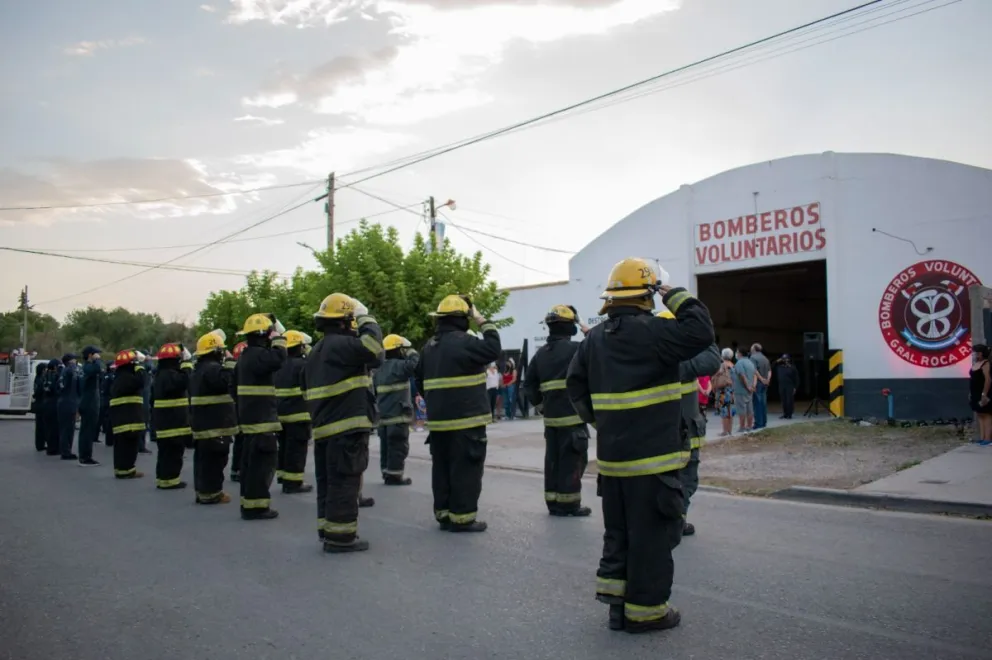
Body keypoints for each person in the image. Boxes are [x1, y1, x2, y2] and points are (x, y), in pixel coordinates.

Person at [566, 257, 714, 634]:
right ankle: (646, 613)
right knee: (651, 538)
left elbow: (575, 388)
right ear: (647, 296)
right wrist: (675, 294)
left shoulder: (594, 340)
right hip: (654, 463)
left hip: (613, 463)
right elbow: (701, 333)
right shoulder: (657, 334)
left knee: (619, 534)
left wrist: (604, 422)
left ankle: (617, 608)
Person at [303, 293, 383, 552]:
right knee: (345, 481)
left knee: (328, 483)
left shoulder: (316, 351)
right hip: (346, 427)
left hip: (325, 429)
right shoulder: (341, 345)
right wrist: (365, 316)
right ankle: (341, 538)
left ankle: (328, 530)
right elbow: (374, 349)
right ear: (345, 322)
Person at [415, 295, 501, 532]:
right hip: (467, 422)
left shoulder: (429, 348)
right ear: (465, 318)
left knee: (441, 468)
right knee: (466, 469)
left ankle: (443, 514)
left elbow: (419, 380)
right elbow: (494, 347)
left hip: (439, 422)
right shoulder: (467, 343)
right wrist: (481, 318)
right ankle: (462, 518)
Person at [658, 310, 721, 537]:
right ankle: (676, 522)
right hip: (684, 433)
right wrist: (703, 327)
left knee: (663, 481)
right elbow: (712, 359)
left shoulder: (651, 357)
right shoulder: (684, 360)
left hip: (659, 433)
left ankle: (665, 521)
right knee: (685, 480)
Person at [524, 304, 591, 517]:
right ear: (569, 327)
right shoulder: (578, 349)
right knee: (572, 462)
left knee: (553, 462)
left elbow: (528, 386)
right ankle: (569, 505)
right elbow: (599, 343)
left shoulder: (541, 354)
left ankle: (553, 502)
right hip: (573, 420)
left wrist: (543, 408)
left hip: (551, 422)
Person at [235, 313, 288, 521]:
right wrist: (279, 337)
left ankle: (248, 503)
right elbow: (279, 357)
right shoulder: (259, 356)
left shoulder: (246, 357)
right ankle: (257, 507)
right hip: (261, 423)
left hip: (251, 421)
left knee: (250, 464)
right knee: (261, 466)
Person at [190, 331, 237, 505]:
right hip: (215, 424)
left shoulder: (200, 369)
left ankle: (203, 492)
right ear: (216, 351)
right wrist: (231, 362)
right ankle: (211, 493)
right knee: (215, 460)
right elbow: (228, 381)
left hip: (204, 423)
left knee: (203, 459)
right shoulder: (213, 369)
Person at [374, 334, 420, 486]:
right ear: (399, 350)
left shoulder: (379, 369)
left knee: (386, 446)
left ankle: (386, 472)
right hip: (398, 415)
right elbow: (416, 364)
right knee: (398, 446)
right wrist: (411, 351)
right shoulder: (399, 366)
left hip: (383, 417)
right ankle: (395, 476)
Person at [274, 330, 314, 494]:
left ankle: (283, 476)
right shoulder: (302, 365)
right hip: (299, 415)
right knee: (296, 449)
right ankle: (293, 483)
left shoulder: (278, 365)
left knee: (283, 447)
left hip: (279, 414)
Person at [151, 343, 194, 490]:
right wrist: (187, 364)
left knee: (165, 452)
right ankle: (170, 481)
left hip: (166, 421)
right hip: (173, 422)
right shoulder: (170, 374)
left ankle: (164, 479)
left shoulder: (161, 374)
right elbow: (185, 381)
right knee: (173, 453)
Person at [109, 349, 148, 479]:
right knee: (129, 446)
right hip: (129, 419)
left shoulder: (119, 377)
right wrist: (140, 366)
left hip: (122, 419)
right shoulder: (127, 378)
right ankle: (127, 470)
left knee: (121, 446)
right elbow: (142, 381)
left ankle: (121, 470)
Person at [77, 345, 103, 466]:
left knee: (87, 430)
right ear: (90, 355)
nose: (99, 356)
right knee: (87, 431)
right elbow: (97, 369)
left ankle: (86, 455)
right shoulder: (88, 367)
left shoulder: (87, 367)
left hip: (89, 402)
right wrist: (97, 360)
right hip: (89, 403)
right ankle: (85, 457)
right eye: (96, 354)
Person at [56, 353, 80, 461]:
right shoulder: (70, 371)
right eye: (74, 360)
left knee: (65, 428)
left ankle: (66, 450)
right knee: (68, 428)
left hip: (63, 401)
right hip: (69, 402)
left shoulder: (63, 372)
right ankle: (66, 452)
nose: (76, 362)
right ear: (70, 362)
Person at [229, 340, 247, 482]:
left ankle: (236, 469)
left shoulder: (235, 368)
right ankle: (241, 469)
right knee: (245, 440)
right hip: (247, 409)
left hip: (237, 408)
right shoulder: (247, 367)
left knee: (239, 440)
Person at [969, 344, 992, 444]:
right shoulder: (975, 363)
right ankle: (982, 437)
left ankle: (988, 438)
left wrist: (984, 394)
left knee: (986, 414)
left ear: (981, 353)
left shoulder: (986, 364)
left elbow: (988, 380)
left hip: (983, 392)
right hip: (975, 393)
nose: (973, 354)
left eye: (975, 352)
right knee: (980, 414)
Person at [732, 347, 757, 432]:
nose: (736, 354)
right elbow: (755, 375)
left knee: (741, 409)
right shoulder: (750, 362)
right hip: (750, 390)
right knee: (750, 409)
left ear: (739, 353)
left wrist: (747, 386)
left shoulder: (739, 363)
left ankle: (742, 427)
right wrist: (753, 386)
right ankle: (749, 426)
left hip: (741, 390)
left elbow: (742, 375)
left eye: (737, 352)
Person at [41, 360, 62, 455]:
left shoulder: (46, 375)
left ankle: (51, 447)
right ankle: (53, 449)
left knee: (49, 427)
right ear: (54, 367)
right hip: (52, 403)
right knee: (54, 428)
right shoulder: (53, 376)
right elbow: (55, 389)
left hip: (46, 403)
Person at [749, 344, 771, 430]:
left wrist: (761, 379)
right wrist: (767, 380)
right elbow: (769, 370)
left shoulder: (753, 358)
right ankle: (764, 421)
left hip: (758, 383)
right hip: (765, 383)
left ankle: (758, 423)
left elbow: (754, 370)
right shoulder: (765, 358)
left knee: (757, 403)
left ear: (754, 349)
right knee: (763, 403)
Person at [715, 349, 735, 436]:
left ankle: (724, 431)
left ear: (722, 355)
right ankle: (730, 430)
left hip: (723, 390)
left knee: (724, 411)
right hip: (731, 390)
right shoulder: (733, 365)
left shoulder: (722, 365)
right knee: (730, 411)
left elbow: (717, 374)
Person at [774, 354, 799, 419]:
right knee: (783, 400)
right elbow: (771, 366)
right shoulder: (779, 367)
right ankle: (785, 413)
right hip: (781, 385)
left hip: (790, 385)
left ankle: (789, 414)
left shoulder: (792, 367)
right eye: (784, 359)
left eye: (786, 359)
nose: (785, 360)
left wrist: (795, 387)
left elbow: (796, 378)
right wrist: (777, 361)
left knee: (789, 400)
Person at [100, 362, 116, 446]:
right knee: (110, 420)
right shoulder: (111, 376)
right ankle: (110, 440)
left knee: (107, 419)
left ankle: (109, 439)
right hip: (109, 399)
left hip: (105, 399)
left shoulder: (105, 375)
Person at [32, 362, 47, 452]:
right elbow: (38, 391)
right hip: (40, 404)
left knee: (41, 425)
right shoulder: (39, 379)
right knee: (40, 425)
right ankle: (40, 444)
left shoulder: (39, 378)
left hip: (40, 403)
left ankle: (41, 443)